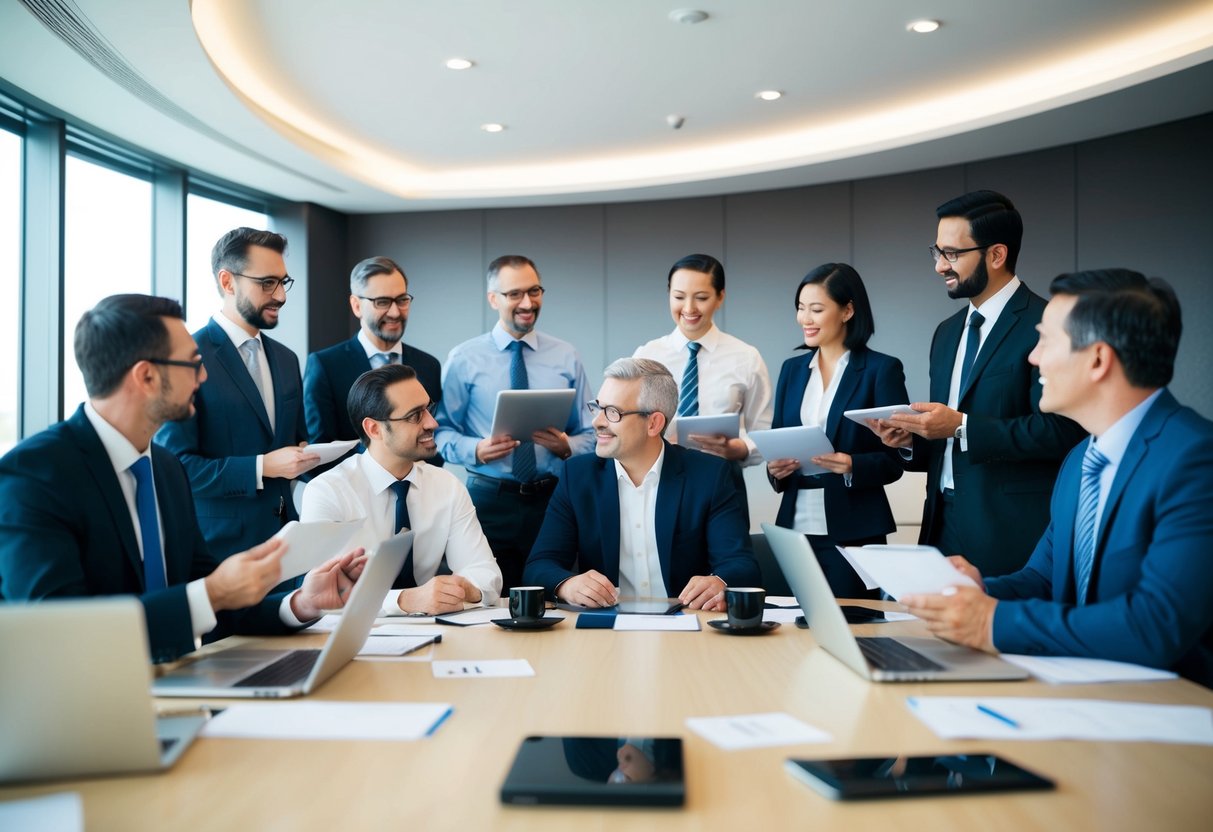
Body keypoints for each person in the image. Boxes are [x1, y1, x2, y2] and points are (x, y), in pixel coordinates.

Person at [0, 295, 364, 663]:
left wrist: (300, 602)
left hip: (185, 687)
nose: (203, 376)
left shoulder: (167, 469)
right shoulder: (36, 475)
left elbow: (212, 604)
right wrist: (212, 593)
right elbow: (56, 630)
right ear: (146, 376)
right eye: (193, 364)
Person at [902, 270, 1213, 687]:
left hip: (1164, 710)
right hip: (1075, 692)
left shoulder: (1195, 460)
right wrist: (979, 591)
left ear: (1098, 359)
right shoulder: (1079, 460)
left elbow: (1155, 625)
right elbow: (1043, 579)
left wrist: (991, 621)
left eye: (1045, 341)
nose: (1033, 358)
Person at [876, 191, 1085, 576]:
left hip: (1010, 533)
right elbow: (947, 444)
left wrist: (960, 426)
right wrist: (911, 441)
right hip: (941, 525)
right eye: (936, 252)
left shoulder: (1045, 322)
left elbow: (1063, 431)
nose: (939, 266)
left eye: (952, 254)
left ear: (996, 255)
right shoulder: (946, 333)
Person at [523, 358, 760, 610]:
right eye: (597, 408)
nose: (597, 422)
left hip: (686, 625)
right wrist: (566, 584)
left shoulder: (709, 476)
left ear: (654, 423)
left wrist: (720, 582)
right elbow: (539, 565)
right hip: (607, 627)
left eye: (612, 412)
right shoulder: (578, 476)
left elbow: (741, 564)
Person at [156, 228, 319, 562]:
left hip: (288, 545)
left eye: (283, 282)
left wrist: (306, 457)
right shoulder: (187, 357)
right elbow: (177, 467)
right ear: (228, 282)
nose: (281, 296)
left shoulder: (287, 359)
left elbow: (297, 440)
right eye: (266, 283)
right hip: (219, 552)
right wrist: (261, 467)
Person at [435, 255, 595, 591]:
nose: (527, 303)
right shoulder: (464, 358)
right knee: (487, 597)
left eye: (535, 291)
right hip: (489, 500)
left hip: (552, 498)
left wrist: (568, 446)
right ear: (493, 299)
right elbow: (441, 432)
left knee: (558, 594)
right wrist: (475, 449)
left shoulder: (566, 356)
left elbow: (592, 432)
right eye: (515, 294)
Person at [301, 364, 501, 614]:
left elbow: (487, 575)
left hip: (435, 633)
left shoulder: (446, 486)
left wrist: (465, 588)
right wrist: (403, 601)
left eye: (429, 409)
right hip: (352, 639)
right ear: (374, 429)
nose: (432, 423)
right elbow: (320, 596)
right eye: (414, 416)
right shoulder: (327, 491)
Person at [765, 263, 909, 597]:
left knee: (855, 628)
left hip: (855, 529)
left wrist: (851, 465)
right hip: (796, 529)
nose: (805, 319)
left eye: (816, 309)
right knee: (794, 632)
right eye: (801, 309)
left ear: (847, 310)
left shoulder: (880, 370)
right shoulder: (792, 370)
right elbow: (777, 442)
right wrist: (775, 470)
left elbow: (895, 459)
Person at [633, 254, 772, 521]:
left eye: (701, 297)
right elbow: (632, 422)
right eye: (679, 296)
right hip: (661, 480)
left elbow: (763, 432)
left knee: (728, 560)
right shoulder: (646, 356)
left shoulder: (746, 357)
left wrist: (740, 449)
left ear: (720, 297)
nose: (689, 307)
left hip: (723, 480)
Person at [303, 256, 442, 458]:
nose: (395, 312)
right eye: (382, 302)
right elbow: (320, 449)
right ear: (356, 305)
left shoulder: (428, 365)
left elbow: (432, 438)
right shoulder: (326, 365)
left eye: (402, 300)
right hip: (350, 486)